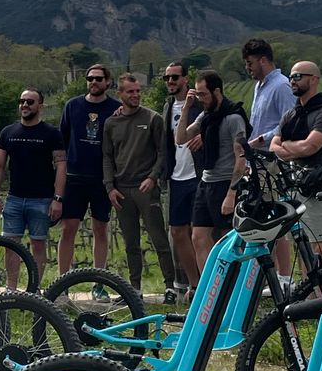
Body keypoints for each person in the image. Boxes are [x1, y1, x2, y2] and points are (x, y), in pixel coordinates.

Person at [103, 72, 177, 299]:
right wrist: (109, 187)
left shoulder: (152, 119)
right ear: (120, 94)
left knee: (159, 239)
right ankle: (134, 289)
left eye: (138, 91)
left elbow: (162, 152)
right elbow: (107, 156)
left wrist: (153, 177)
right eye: (130, 92)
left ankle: (170, 287)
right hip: (122, 190)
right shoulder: (111, 123)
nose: (135, 95)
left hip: (146, 187)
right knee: (130, 242)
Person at [270, 60, 322, 270]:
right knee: (303, 246)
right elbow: (273, 146)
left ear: (313, 80)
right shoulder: (292, 114)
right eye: (290, 77)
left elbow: (310, 147)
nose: (292, 81)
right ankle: (311, 298)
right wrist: (292, 147)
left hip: (316, 185)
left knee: (320, 246)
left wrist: (285, 146)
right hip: (295, 184)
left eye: (297, 76)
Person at [0, 88, 66, 288]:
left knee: (38, 246)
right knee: (10, 246)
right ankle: (11, 288)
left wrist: (58, 199)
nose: (25, 105)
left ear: (40, 106)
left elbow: (61, 166)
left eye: (30, 102)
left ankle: (34, 289)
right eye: (22, 101)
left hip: (42, 200)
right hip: (14, 199)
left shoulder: (51, 133)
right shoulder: (8, 132)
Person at [57, 64, 119, 274]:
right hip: (74, 177)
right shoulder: (72, 106)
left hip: (102, 178)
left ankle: (99, 281)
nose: (94, 82)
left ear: (108, 82)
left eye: (98, 79)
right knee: (68, 229)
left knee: (100, 229)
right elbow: (62, 140)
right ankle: (62, 281)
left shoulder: (116, 109)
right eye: (90, 78)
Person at [185, 70, 249, 269]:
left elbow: (241, 158)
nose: (200, 99)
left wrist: (231, 194)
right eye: (197, 94)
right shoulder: (206, 116)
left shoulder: (233, 118)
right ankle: (209, 285)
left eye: (203, 94)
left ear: (217, 91)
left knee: (226, 239)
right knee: (198, 236)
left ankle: (228, 285)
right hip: (206, 182)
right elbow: (181, 138)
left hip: (224, 183)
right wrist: (187, 108)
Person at [243, 38, 295, 278]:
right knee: (263, 219)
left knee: (277, 219)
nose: (248, 68)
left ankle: (284, 277)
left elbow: (289, 123)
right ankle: (269, 275)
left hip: (273, 161)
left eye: (250, 62)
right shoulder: (259, 86)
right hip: (258, 162)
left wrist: (261, 139)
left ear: (263, 59)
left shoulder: (282, 86)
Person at [160, 62, 200, 297]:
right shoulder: (167, 107)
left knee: (199, 232)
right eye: (167, 78)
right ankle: (194, 285)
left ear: (186, 78)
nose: (170, 82)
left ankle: (206, 283)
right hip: (176, 176)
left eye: (175, 77)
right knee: (177, 232)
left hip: (197, 173)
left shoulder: (198, 104)